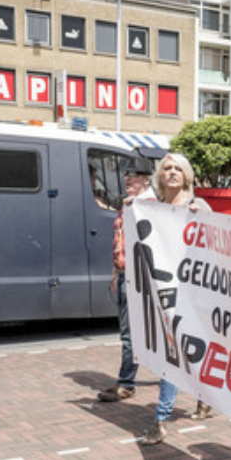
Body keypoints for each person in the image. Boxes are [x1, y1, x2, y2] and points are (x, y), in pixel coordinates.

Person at [138, 153, 213, 446]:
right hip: (164, 288)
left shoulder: (198, 205)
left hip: (192, 292)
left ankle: (161, 418)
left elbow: (214, 244)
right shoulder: (152, 208)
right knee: (174, 350)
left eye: (177, 169)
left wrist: (200, 219)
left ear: (186, 175)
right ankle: (200, 399)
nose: (171, 173)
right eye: (166, 168)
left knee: (180, 350)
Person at [97, 156, 156, 404]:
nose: (127, 178)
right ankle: (127, 380)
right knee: (130, 333)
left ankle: (126, 383)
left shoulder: (151, 206)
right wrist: (115, 270)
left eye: (133, 174)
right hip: (125, 276)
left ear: (146, 179)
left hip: (140, 279)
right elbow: (120, 239)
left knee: (132, 334)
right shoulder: (130, 204)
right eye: (126, 174)